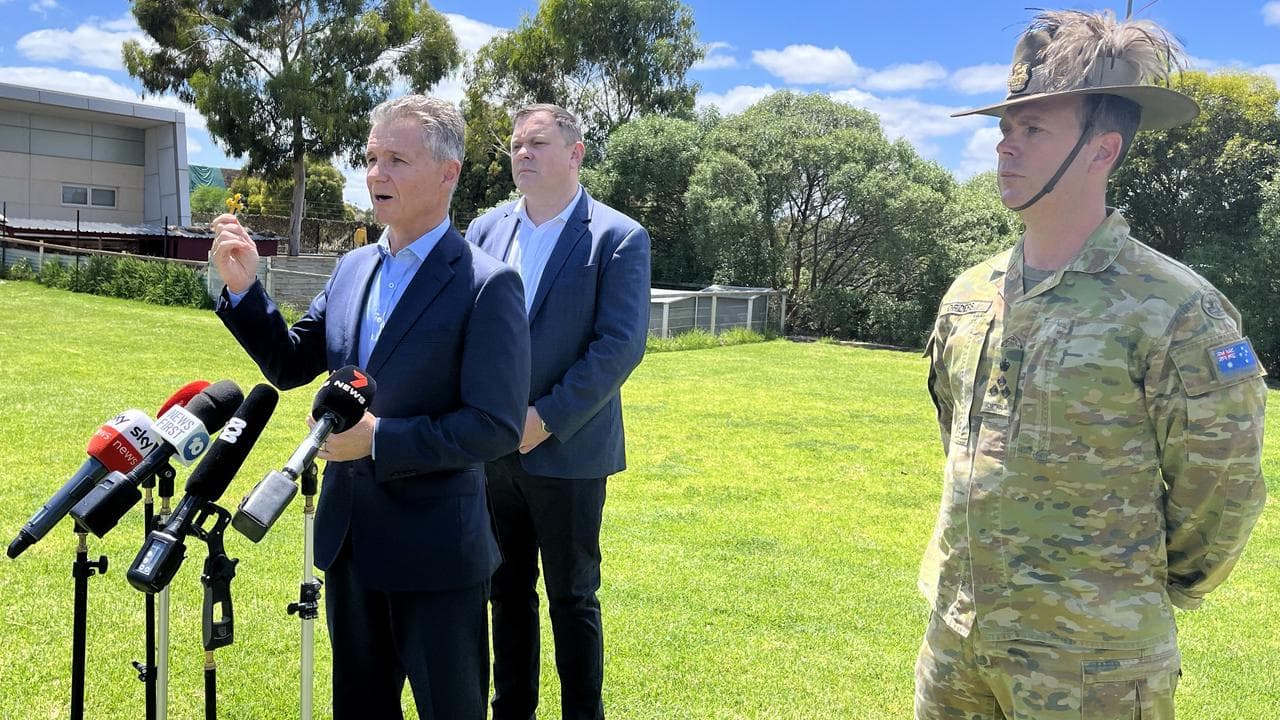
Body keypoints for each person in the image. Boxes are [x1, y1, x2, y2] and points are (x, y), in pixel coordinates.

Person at [917, 10, 1268, 719]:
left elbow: (1221, 490)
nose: (1004, 147)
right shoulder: (970, 294)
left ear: (1102, 149)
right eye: (1006, 130)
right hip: (958, 644)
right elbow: (963, 439)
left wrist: (1122, 593)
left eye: (1033, 130)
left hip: (1095, 665)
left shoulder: (1176, 310)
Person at [209, 95, 530, 720]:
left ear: (448, 172)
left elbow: (495, 426)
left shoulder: (487, 283)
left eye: (396, 160)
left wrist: (381, 439)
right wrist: (246, 289)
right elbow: (290, 362)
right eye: (371, 158)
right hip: (349, 542)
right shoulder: (353, 267)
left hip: (438, 556)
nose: (375, 175)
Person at [464, 103, 651, 720]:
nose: (521, 153)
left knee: (572, 597)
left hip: (569, 451)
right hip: (491, 452)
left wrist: (544, 418)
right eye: (515, 144)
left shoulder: (617, 237)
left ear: (576, 153)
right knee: (504, 590)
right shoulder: (485, 230)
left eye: (537, 143)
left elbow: (619, 345)